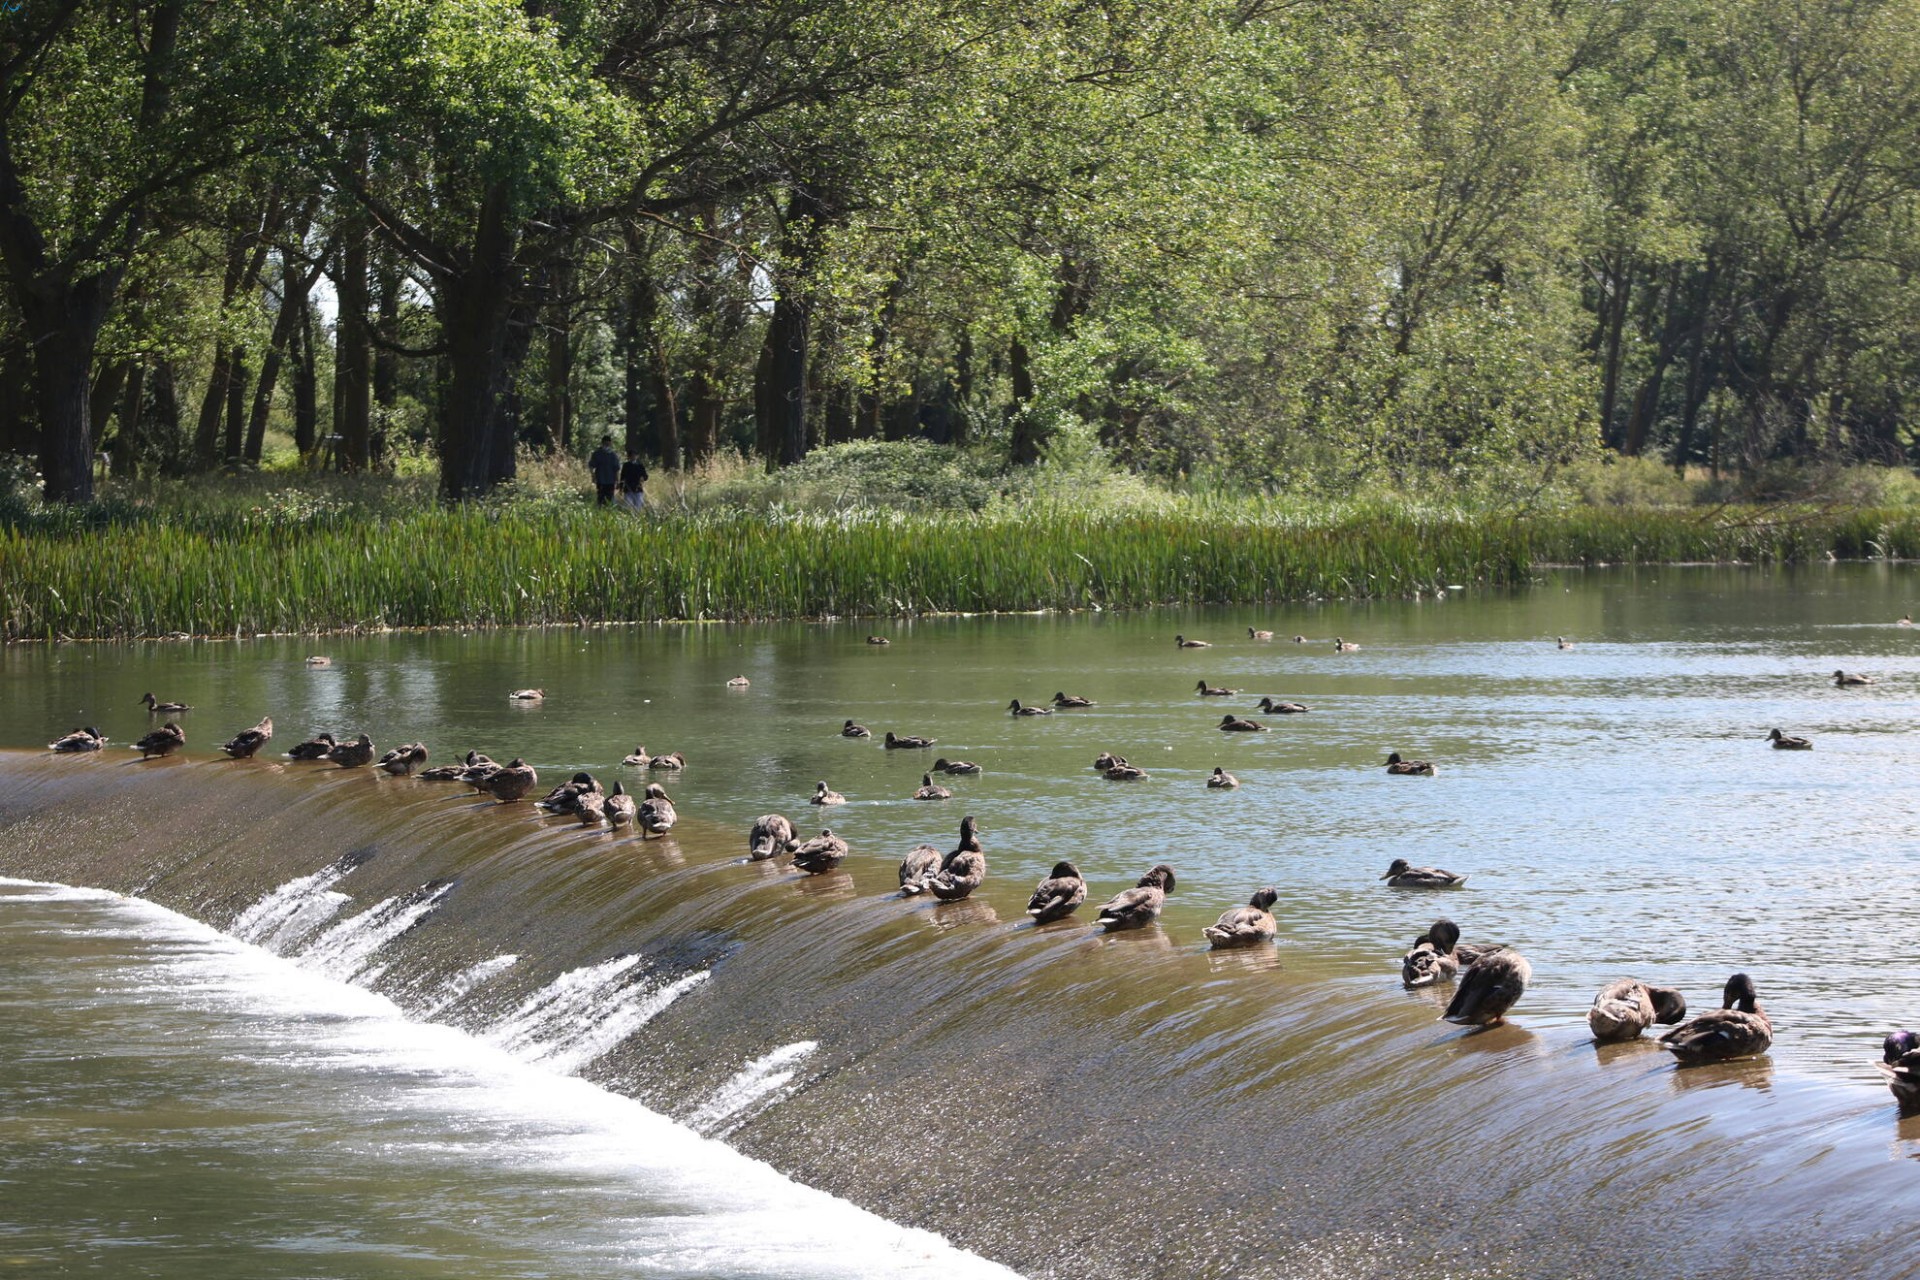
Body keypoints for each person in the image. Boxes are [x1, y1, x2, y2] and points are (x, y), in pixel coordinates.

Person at [588, 434, 620, 505]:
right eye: (605, 443)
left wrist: (617, 481)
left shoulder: (613, 455)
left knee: (610, 499)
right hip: (600, 480)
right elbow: (591, 466)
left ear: (610, 443)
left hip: (611, 481)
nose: (607, 445)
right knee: (600, 498)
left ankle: (607, 513)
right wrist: (593, 476)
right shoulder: (597, 454)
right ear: (602, 443)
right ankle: (600, 512)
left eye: (608, 444)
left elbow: (616, 469)